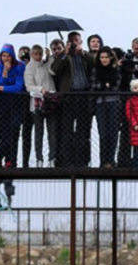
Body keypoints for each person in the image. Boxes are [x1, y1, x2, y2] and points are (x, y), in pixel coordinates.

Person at [50, 32, 94, 167]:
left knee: (83, 130)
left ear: (80, 41)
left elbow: (94, 63)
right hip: (69, 96)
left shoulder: (84, 55)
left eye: (77, 40)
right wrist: (65, 53)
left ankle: (83, 160)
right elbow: (54, 69)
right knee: (67, 130)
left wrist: (83, 53)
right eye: (72, 41)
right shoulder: (64, 56)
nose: (75, 43)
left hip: (84, 96)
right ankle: (67, 161)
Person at [24, 44, 55, 168]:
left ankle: (52, 158)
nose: (38, 56)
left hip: (51, 101)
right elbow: (29, 86)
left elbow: (52, 71)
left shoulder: (45, 63)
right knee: (39, 132)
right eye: (36, 54)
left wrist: (49, 58)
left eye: (40, 54)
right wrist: (40, 89)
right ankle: (39, 158)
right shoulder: (29, 67)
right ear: (32, 54)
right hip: (37, 103)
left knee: (52, 131)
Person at [90, 46, 121, 167]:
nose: (104, 60)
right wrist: (105, 84)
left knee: (113, 133)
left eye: (106, 57)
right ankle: (103, 161)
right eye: (102, 57)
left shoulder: (116, 69)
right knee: (103, 133)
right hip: (100, 103)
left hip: (113, 103)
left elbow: (116, 86)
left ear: (111, 57)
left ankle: (111, 160)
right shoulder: (95, 70)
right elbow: (93, 86)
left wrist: (103, 85)